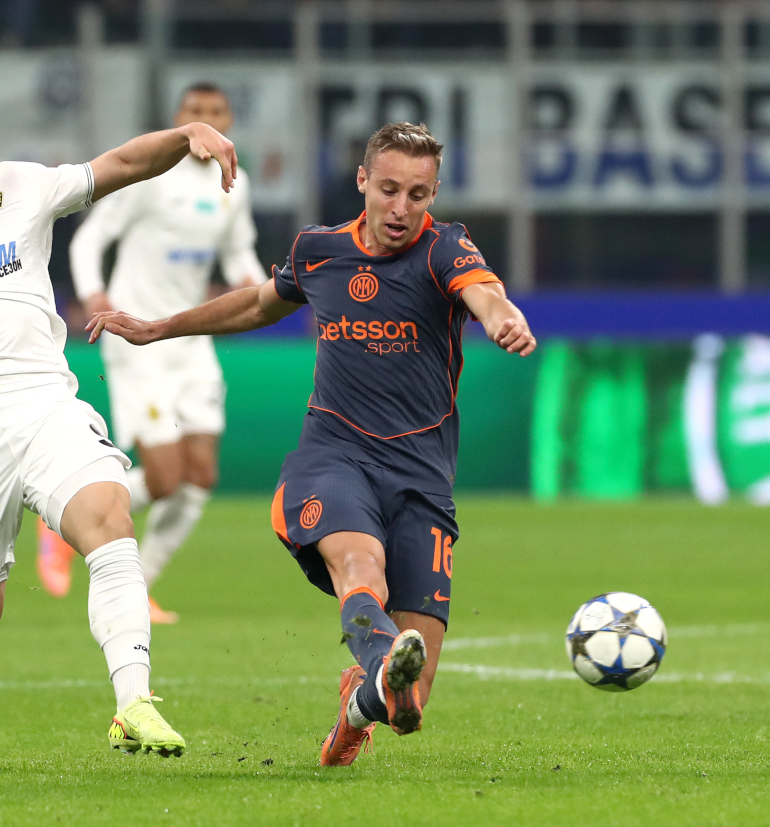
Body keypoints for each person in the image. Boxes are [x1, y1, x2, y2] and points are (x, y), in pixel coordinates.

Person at [87, 122, 536, 767]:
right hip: (334, 459)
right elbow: (256, 305)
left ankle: (360, 704)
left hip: (421, 476)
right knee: (360, 567)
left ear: (434, 196)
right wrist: (161, 328)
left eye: (417, 195)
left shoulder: (444, 249)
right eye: (388, 190)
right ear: (362, 181)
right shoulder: (319, 251)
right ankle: (382, 656)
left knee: (408, 706)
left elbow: (484, 293)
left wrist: (503, 318)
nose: (401, 208)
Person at [0, 79, 238, 770]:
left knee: (110, 519)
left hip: (45, 404)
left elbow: (120, 164)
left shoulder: (21, 188)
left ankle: (134, 701)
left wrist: (185, 136)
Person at [34, 83, 265, 623]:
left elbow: (237, 253)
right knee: (163, 479)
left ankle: (142, 588)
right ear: (181, 118)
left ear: (229, 120)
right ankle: (64, 526)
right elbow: (89, 239)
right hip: (137, 337)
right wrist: (95, 294)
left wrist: (260, 284)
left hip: (190, 338)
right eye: (195, 111)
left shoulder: (236, 182)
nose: (206, 119)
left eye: (215, 111)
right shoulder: (153, 174)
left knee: (200, 476)